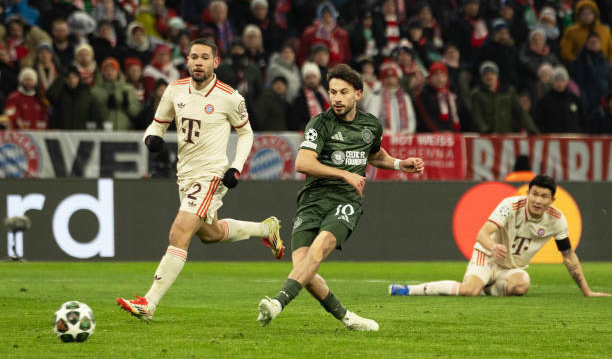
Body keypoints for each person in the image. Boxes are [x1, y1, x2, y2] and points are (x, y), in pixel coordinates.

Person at [116, 39, 285, 322]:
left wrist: (236, 167)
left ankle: (149, 303)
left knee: (179, 233)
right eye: (194, 56)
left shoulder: (230, 97)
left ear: (215, 62)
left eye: (204, 57)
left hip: (211, 175)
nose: (198, 62)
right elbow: (158, 123)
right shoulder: (175, 90)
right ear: (187, 60)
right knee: (210, 234)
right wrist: (152, 137)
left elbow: (246, 133)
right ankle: (265, 229)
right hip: (185, 174)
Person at [256, 63, 425, 331]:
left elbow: (374, 154)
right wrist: (344, 173)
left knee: (319, 247)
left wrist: (398, 163)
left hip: (346, 201)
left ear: (358, 94)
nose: (336, 98)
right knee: (302, 268)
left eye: (343, 92)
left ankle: (277, 303)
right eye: (333, 92)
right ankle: (347, 318)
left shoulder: (370, 125)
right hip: (312, 200)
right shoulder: (320, 123)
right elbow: (302, 162)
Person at [389, 175, 611, 298]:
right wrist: (493, 247)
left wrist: (587, 292)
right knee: (469, 291)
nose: (537, 200)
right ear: (528, 193)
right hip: (487, 255)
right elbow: (482, 234)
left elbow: (569, 257)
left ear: (552, 200)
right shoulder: (510, 206)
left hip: (511, 267)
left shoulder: (557, 220)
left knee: (521, 285)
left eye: (544, 196)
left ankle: (487, 288)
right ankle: (409, 290)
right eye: (534, 194)